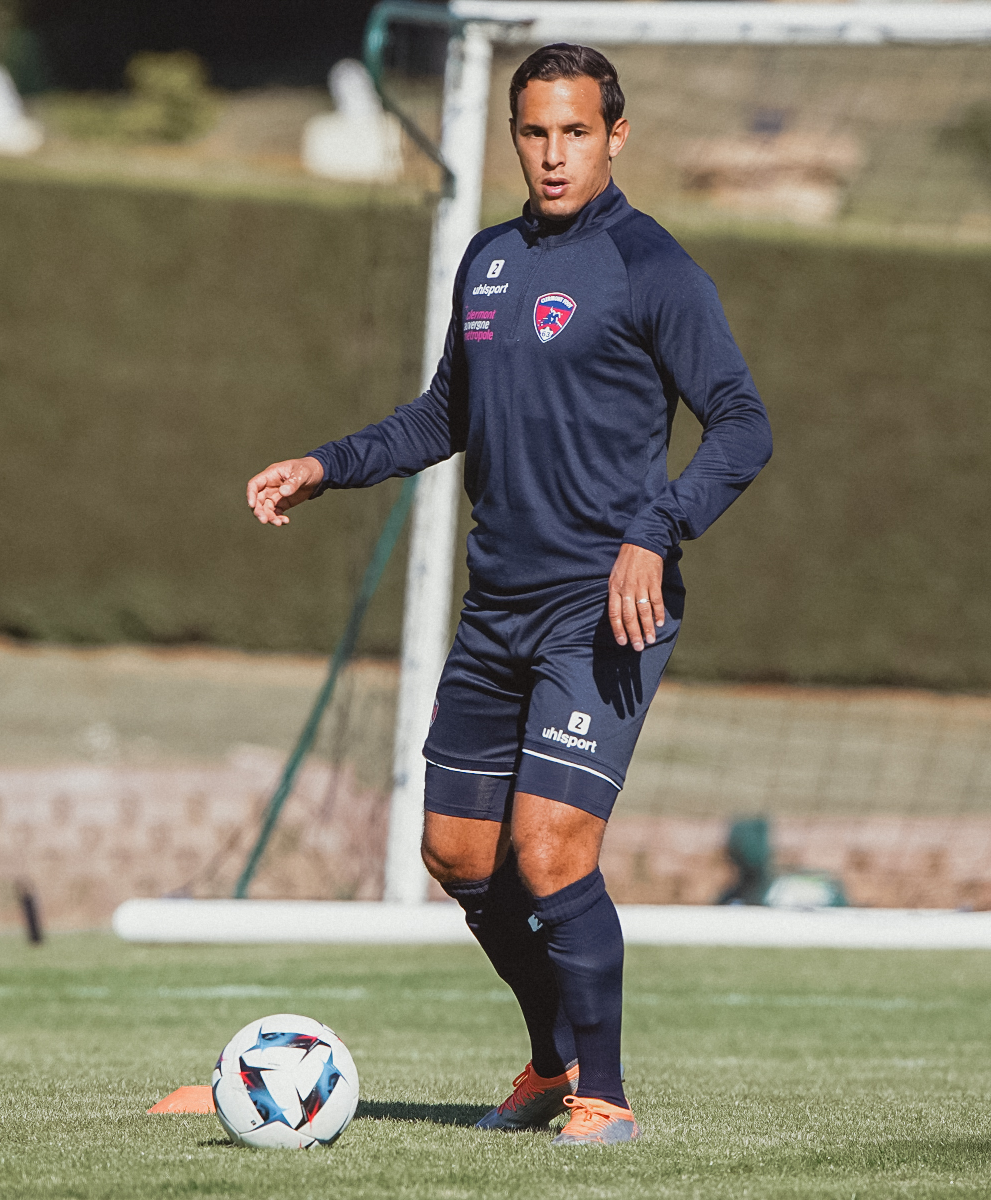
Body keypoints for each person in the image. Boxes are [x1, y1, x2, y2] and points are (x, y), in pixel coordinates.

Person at [246, 45, 772, 1145]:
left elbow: (742, 422)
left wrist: (653, 533)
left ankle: (605, 1094)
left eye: (574, 132)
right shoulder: (486, 260)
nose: (551, 154)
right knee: (456, 854)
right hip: (497, 610)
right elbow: (446, 414)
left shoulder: (651, 266)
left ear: (614, 136)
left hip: (606, 608)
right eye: (534, 132)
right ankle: (550, 1060)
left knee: (551, 847)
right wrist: (326, 463)